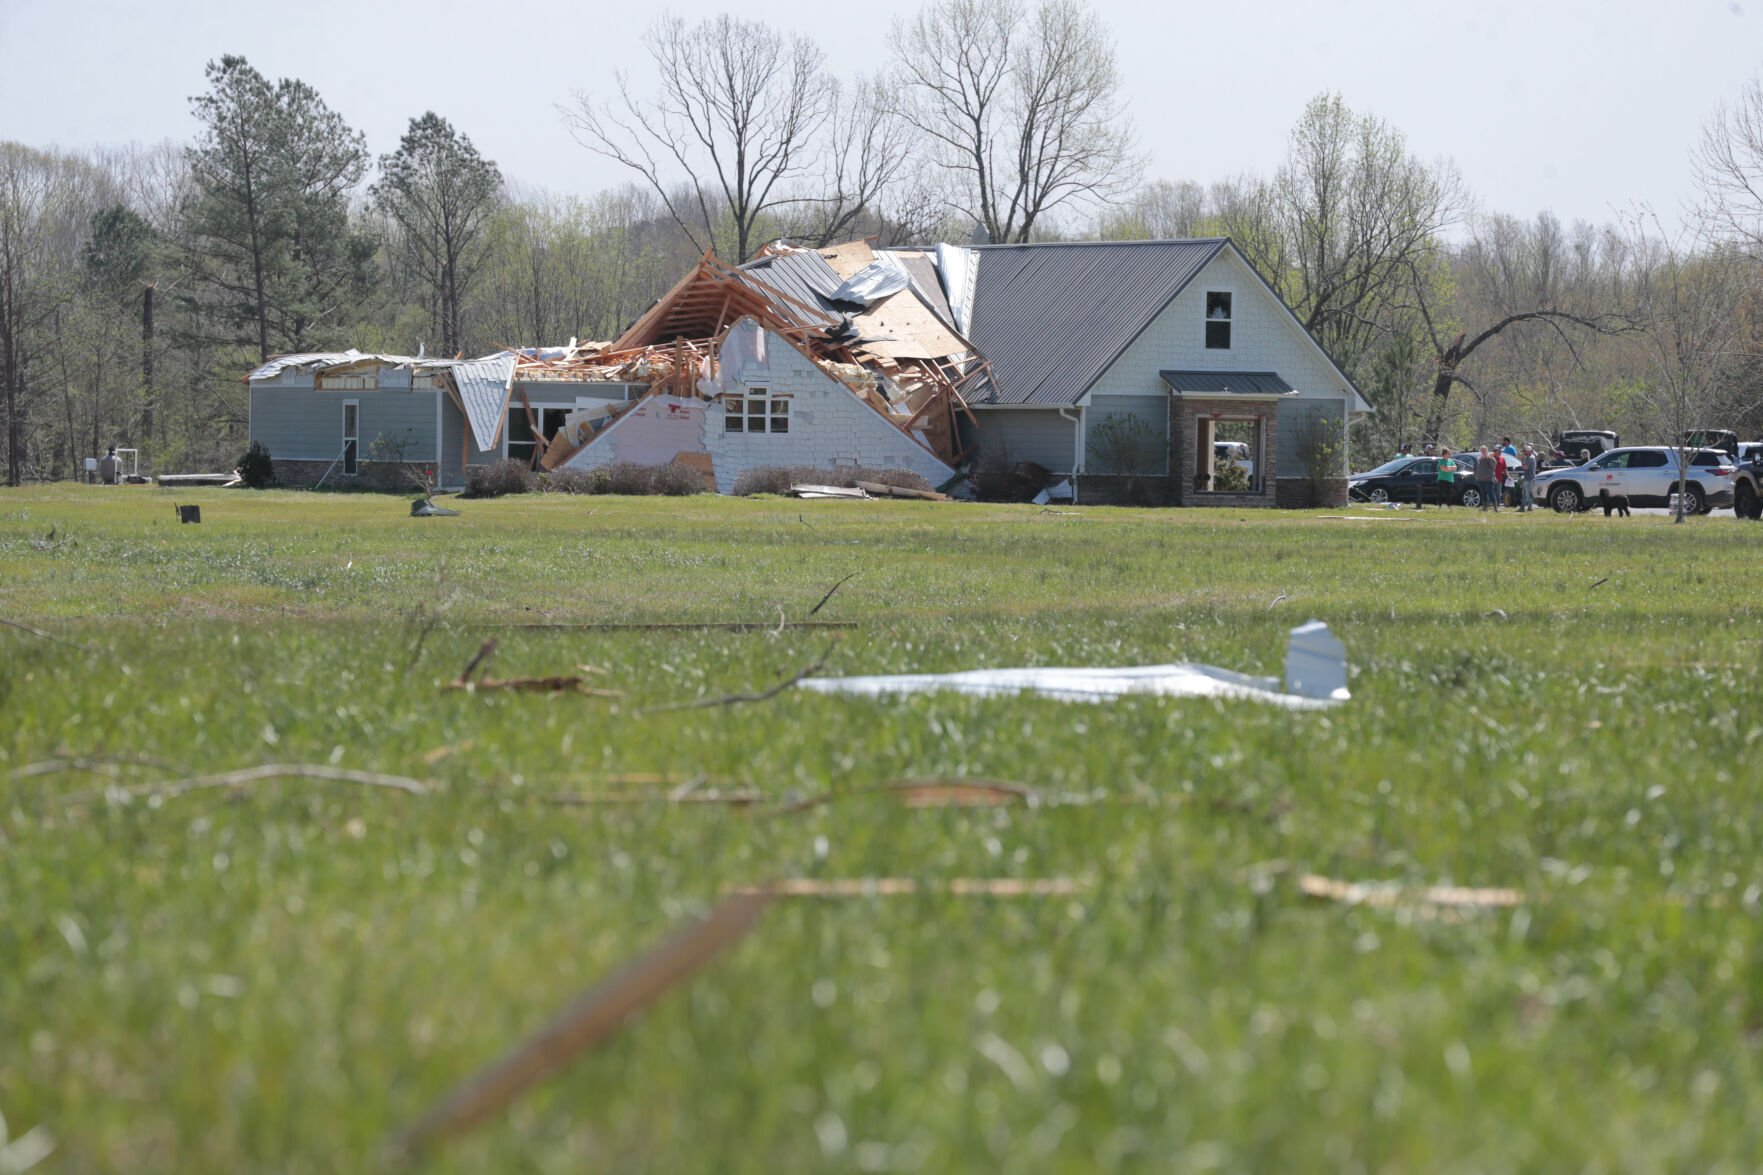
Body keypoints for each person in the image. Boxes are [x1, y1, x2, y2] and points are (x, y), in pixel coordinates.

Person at [1474, 446, 1497, 510]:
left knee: (1490, 493)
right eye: (1482, 450)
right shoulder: (1479, 459)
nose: (1483, 452)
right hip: (1480, 479)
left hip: (1488, 479)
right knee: (1483, 493)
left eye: (1484, 450)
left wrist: (1491, 459)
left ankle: (1495, 507)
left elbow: (1493, 467)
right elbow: (1475, 468)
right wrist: (1476, 475)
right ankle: (1485, 507)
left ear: (1487, 451)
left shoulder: (1490, 458)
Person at [1519, 444, 1538, 512]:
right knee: (1524, 493)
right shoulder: (1528, 458)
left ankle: (1529, 507)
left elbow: (1525, 467)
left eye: (1524, 451)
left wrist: (1521, 460)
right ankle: (1524, 507)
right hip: (1527, 477)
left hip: (1529, 478)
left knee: (1527, 493)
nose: (1523, 453)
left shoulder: (1530, 458)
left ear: (1528, 451)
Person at [1492, 447, 1509, 511]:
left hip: (1499, 479)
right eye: (1498, 451)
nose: (1500, 452)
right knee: (1491, 492)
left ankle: (1497, 505)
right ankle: (1488, 505)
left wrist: (1508, 476)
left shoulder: (1502, 459)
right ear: (1495, 451)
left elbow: (1505, 469)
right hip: (1491, 478)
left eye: (1500, 451)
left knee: (1498, 493)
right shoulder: (1491, 458)